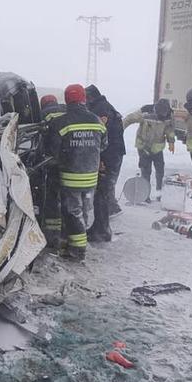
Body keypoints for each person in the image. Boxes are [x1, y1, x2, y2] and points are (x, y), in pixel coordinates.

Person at [44, 85, 107, 261]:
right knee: (84, 211)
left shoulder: (61, 122)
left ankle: (77, 250)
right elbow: (104, 145)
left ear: (66, 100)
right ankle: (74, 243)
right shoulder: (96, 121)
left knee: (72, 212)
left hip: (70, 177)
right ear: (83, 99)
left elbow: (53, 151)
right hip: (91, 177)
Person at [85, 84, 124, 242]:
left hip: (109, 155)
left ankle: (102, 230)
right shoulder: (104, 106)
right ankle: (100, 227)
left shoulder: (101, 110)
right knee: (102, 191)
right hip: (112, 154)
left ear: (90, 97)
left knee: (102, 192)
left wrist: (101, 159)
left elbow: (100, 135)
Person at [123, 98, 176, 202]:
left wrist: (171, 141)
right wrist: (120, 128)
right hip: (144, 147)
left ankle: (159, 194)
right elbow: (129, 119)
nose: (162, 117)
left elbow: (170, 129)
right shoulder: (145, 111)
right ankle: (145, 195)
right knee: (146, 171)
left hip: (157, 148)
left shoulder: (169, 115)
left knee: (160, 171)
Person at [38, 94, 66, 250]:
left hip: (54, 161)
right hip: (72, 159)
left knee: (52, 196)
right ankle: (66, 231)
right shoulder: (66, 109)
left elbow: (41, 138)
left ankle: (52, 233)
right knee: (68, 198)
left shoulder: (43, 115)